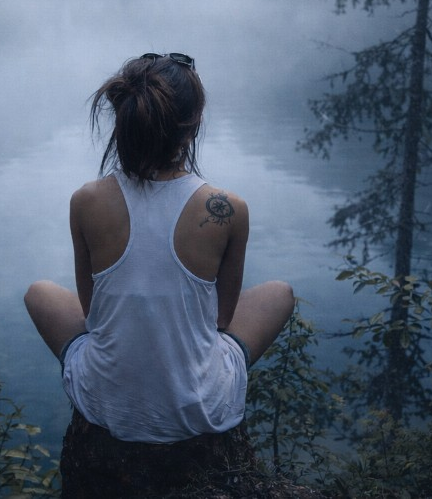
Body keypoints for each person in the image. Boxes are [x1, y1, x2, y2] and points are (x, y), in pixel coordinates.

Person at [24, 52, 294, 444]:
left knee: (39, 293)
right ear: (192, 127)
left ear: (125, 121)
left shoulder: (86, 200)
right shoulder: (228, 208)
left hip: (105, 405)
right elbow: (221, 320)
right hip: (202, 408)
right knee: (280, 293)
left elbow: (91, 312)